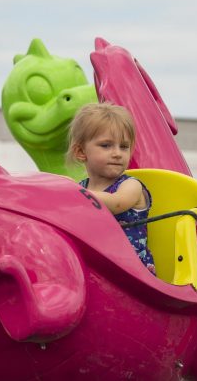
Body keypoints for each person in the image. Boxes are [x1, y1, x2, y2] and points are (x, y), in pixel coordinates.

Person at [67, 103, 156, 274]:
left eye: (123, 146)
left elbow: (116, 203)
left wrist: (72, 192)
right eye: (106, 145)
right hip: (97, 269)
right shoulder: (81, 188)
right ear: (81, 152)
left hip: (134, 277)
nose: (117, 153)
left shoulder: (130, 185)